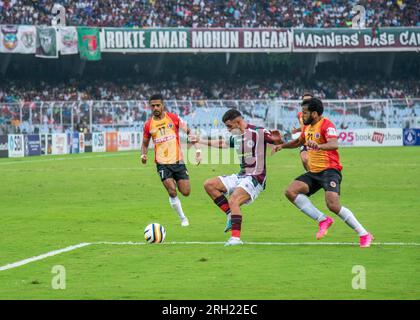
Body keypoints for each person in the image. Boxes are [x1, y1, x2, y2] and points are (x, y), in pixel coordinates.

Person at [272, 97, 374, 247]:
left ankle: (364, 234)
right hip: (313, 172)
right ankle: (323, 220)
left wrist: (318, 146)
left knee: (332, 205)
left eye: (305, 113)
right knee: (290, 191)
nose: (302, 116)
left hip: (330, 171)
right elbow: (299, 142)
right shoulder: (307, 127)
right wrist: (282, 146)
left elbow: (334, 144)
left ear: (314, 114)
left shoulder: (327, 125)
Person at [203, 109, 283, 246]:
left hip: (256, 177)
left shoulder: (258, 132)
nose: (228, 130)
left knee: (234, 198)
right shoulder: (237, 136)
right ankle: (230, 214)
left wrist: (278, 140)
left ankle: (235, 239)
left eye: (229, 126)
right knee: (209, 185)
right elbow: (222, 144)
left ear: (238, 122)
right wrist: (200, 141)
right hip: (241, 175)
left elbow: (277, 141)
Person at [141, 94, 199, 227]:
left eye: (157, 105)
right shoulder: (148, 124)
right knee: (172, 191)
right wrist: (143, 155)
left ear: (163, 105)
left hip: (178, 161)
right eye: (152, 106)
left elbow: (189, 132)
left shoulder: (173, 118)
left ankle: (176, 187)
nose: (155, 108)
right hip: (162, 164)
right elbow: (144, 144)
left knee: (186, 192)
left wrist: (198, 150)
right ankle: (183, 218)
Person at [290, 93, 313, 171]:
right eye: (305, 100)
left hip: (315, 140)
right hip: (304, 140)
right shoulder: (300, 114)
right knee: (304, 159)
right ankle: (309, 174)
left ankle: (314, 175)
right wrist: (296, 130)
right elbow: (304, 127)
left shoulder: (316, 113)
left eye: (309, 100)